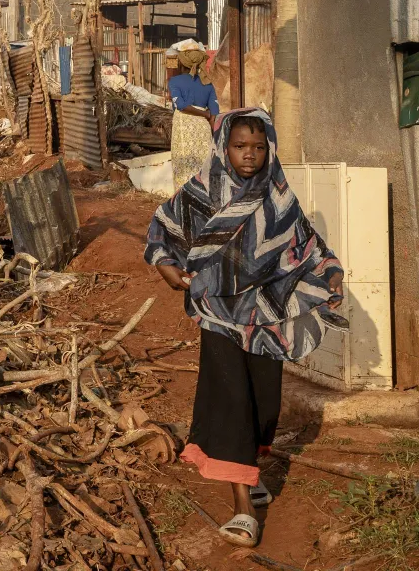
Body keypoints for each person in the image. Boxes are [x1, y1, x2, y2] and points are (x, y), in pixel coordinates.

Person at [145, 109, 345, 548]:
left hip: (265, 318)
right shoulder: (202, 191)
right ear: (223, 147)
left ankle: (250, 468)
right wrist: (167, 266)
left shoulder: (280, 197)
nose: (249, 155)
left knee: (264, 403)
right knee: (231, 398)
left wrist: (329, 273)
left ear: (268, 147)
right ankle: (243, 506)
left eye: (258, 146)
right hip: (217, 311)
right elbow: (163, 229)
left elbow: (310, 247)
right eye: (240, 146)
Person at [167, 47, 218, 188]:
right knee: (204, 166)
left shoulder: (175, 81)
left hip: (184, 126)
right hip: (203, 128)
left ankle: (184, 199)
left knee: (183, 167)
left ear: (182, 64)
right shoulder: (208, 83)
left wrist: (204, 114)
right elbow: (214, 114)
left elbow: (181, 106)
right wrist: (214, 136)